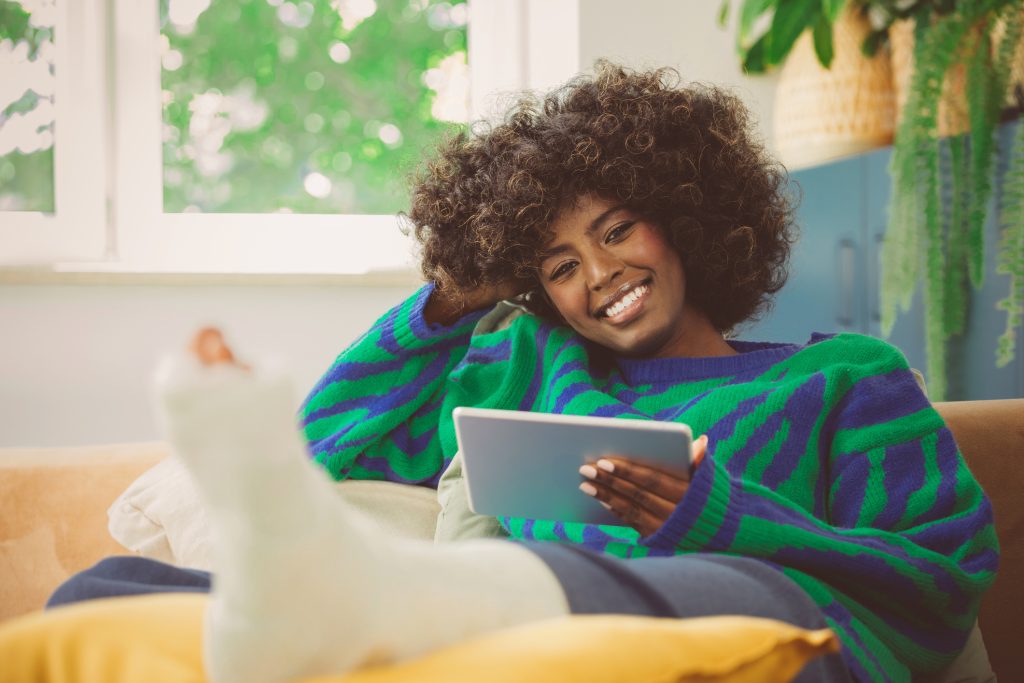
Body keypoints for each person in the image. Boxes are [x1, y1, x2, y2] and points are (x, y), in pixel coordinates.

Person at [47, 63, 998, 683]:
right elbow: (326, 446)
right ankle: (374, 606)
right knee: (99, 595)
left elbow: (942, 583)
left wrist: (721, 516)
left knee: (632, 605)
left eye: (617, 229)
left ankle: (380, 601)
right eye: (559, 266)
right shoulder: (526, 364)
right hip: (527, 642)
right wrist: (444, 308)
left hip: (782, 627)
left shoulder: (844, 378)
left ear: (686, 212)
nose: (601, 277)